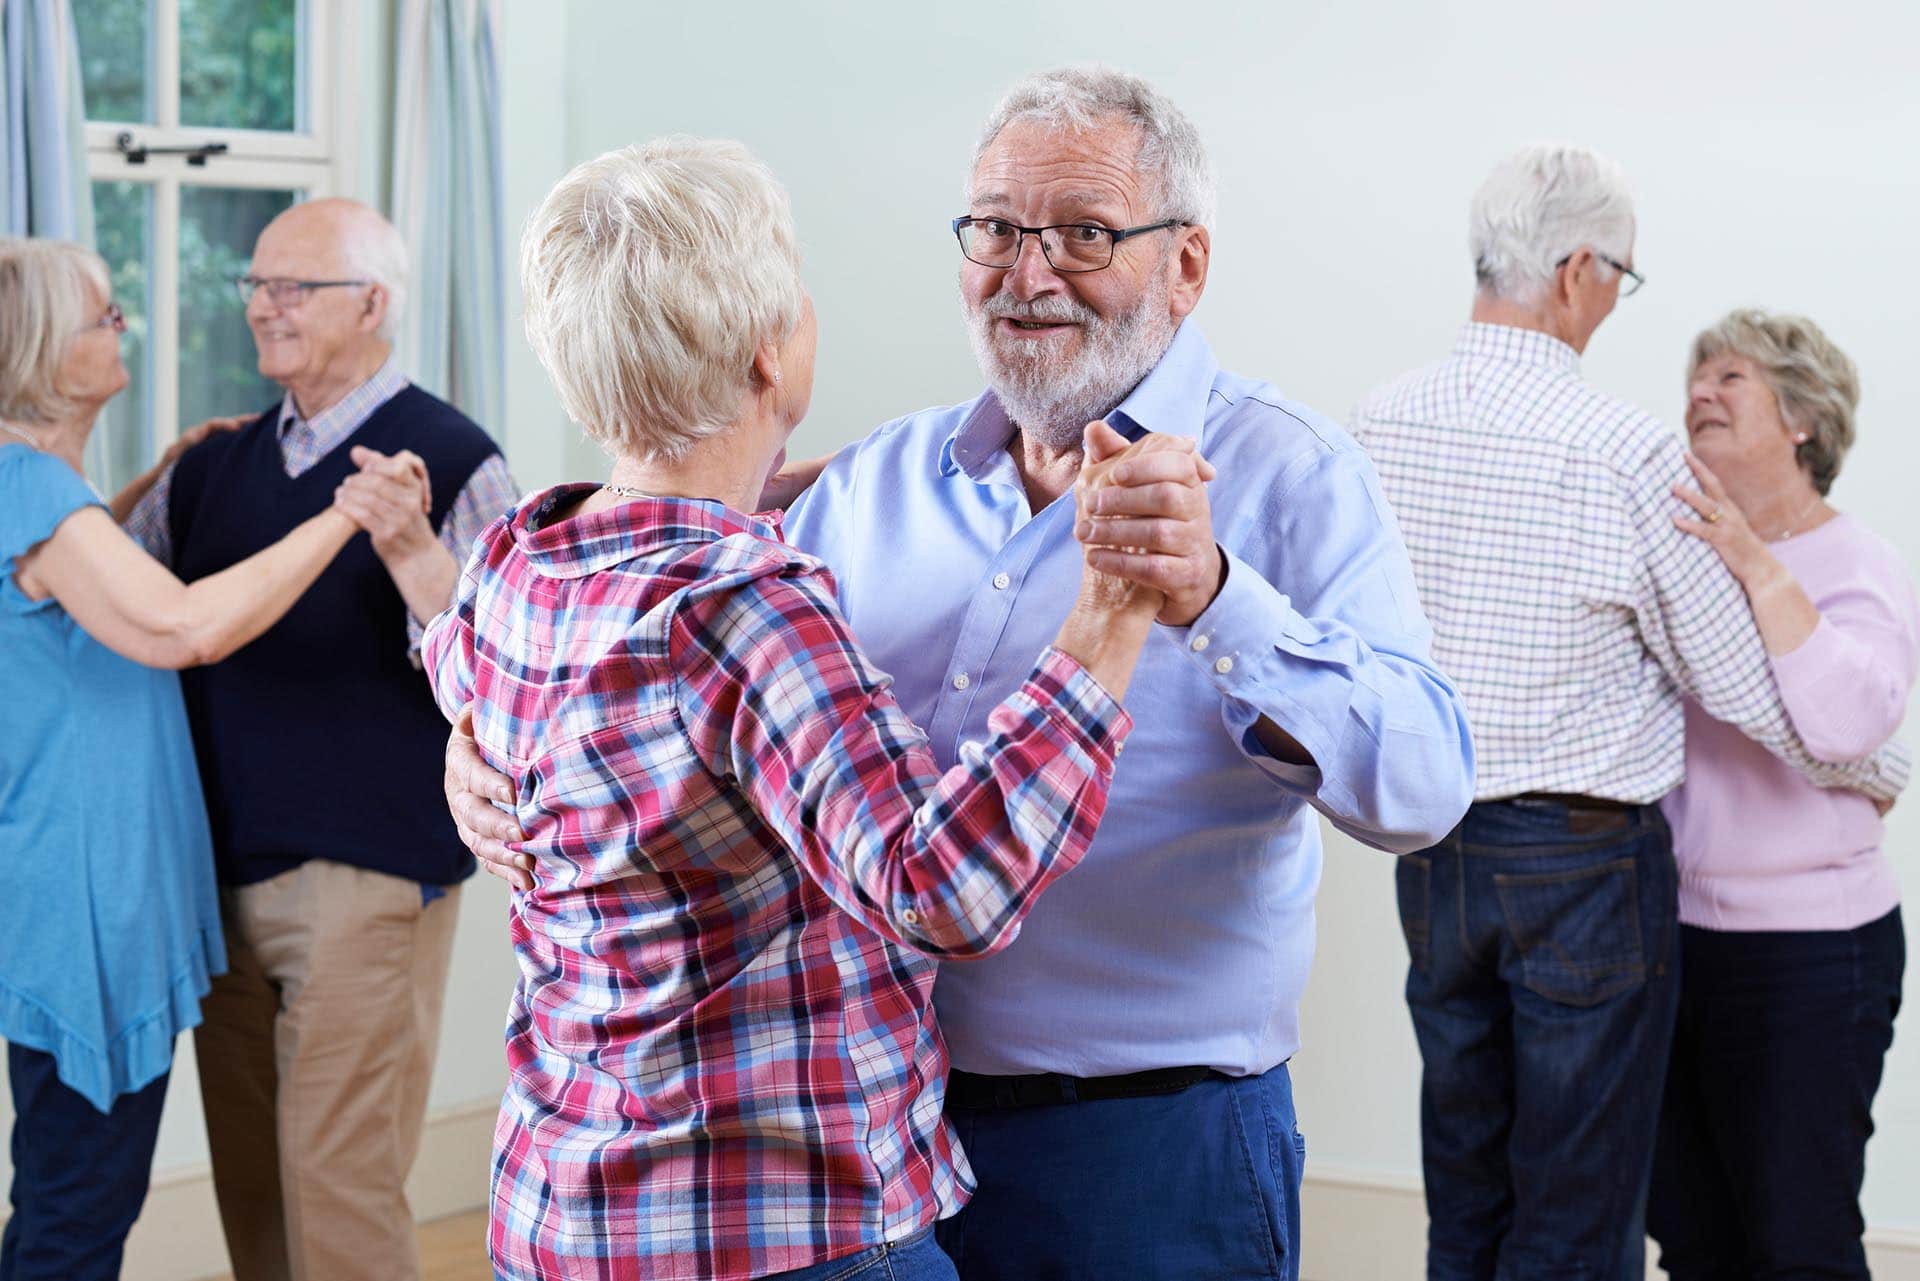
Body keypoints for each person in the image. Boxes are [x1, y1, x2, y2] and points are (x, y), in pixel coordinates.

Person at [450, 67, 1475, 1280]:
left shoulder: (1293, 477)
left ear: (1186, 266)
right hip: (868, 1147)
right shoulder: (870, 481)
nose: (1028, 274)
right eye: (995, 228)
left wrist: (1216, 596)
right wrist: (474, 756)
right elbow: (637, 677)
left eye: (1084, 233)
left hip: (1146, 1151)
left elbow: (1423, 790)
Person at [427, 135, 1188, 1281]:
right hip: (782, 1231)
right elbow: (941, 892)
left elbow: (461, 673)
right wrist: (1109, 618)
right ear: (767, 353)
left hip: (559, 1217)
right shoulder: (745, 610)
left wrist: (462, 747)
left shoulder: (519, 560)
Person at [1349, 148, 1908, 1280]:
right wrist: (1863, 765)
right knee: (1584, 1208)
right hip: (1584, 872)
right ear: (1577, 271)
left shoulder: (1380, 421)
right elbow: (1735, 683)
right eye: (1623, 279)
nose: (1617, 302)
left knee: (1469, 1189)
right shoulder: (1621, 451)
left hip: (1438, 853)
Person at [117, 198, 520, 1281]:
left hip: (367, 880)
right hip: (217, 874)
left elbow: (502, 672)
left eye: (293, 287)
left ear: (373, 303)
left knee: (337, 1185)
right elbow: (112, 604)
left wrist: (403, 545)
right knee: (255, 1182)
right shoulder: (210, 464)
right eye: (255, 286)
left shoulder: (452, 457)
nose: (264, 308)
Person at [0, 238, 392, 1279]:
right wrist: (342, 515)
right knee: (78, 1211)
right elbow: (178, 628)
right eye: (100, 317)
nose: (119, 326)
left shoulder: (44, 496)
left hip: (76, 888)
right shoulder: (32, 488)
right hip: (87, 908)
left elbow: (64, 585)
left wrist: (149, 478)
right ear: (41, 351)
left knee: (60, 1188)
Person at [1649, 309, 1913, 1280]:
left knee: (1797, 1243)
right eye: (1695, 377)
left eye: (1731, 377)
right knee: (1694, 1240)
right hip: (1674, 943)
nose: (1700, 394)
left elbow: (1849, 722)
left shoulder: (1858, 563)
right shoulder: (1680, 554)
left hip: (1813, 957)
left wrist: (1755, 559)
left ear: (1802, 417)